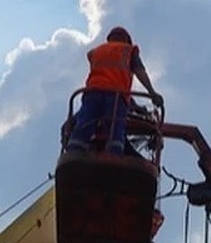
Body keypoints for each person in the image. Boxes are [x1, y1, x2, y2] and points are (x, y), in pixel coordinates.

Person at [64, 26, 163, 154]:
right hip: (115, 96)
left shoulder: (97, 51)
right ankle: (114, 154)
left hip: (92, 94)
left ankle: (74, 151)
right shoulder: (128, 50)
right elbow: (139, 71)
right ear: (127, 40)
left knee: (85, 123)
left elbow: (104, 76)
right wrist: (152, 93)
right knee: (115, 126)